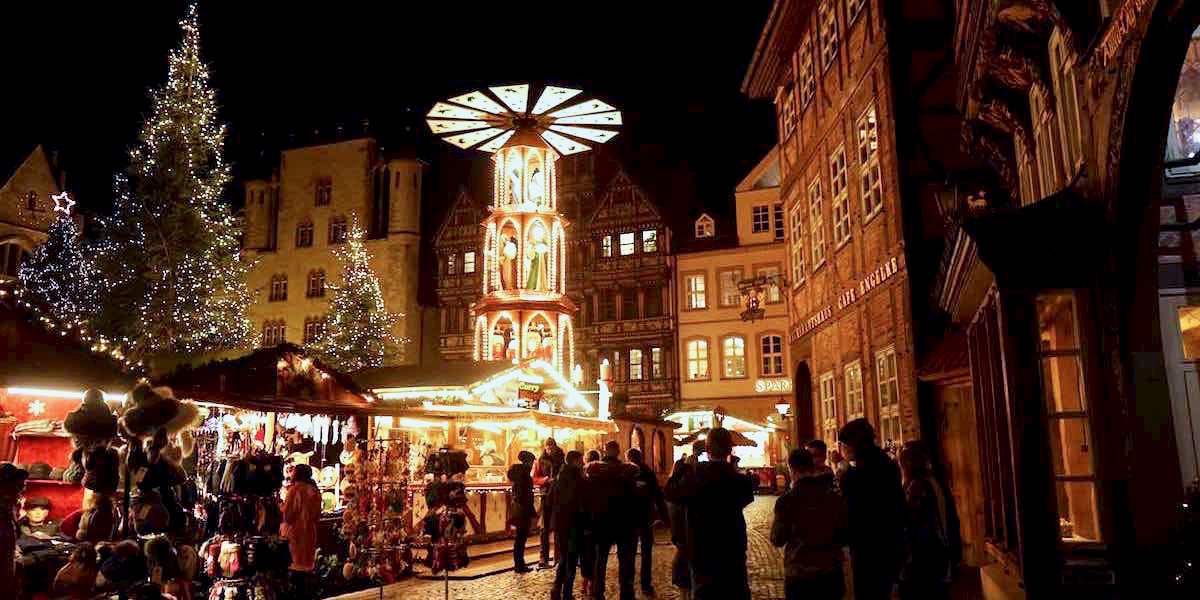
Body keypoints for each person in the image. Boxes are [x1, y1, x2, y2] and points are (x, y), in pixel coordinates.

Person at [665, 428, 756, 600]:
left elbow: (670, 493)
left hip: (701, 549)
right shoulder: (740, 481)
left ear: (707, 450)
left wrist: (679, 470)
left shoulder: (694, 476)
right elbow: (746, 497)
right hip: (732, 548)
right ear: (730, 450)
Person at [838, 418, 906, 600]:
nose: (842, 450)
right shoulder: (888, 465)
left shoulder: (857, 473)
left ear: (853, 445)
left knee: (868, 591)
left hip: (867, 545)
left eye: (844, 445)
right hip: (889, 542)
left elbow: (851, 511)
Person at [771, 448, 848, 600]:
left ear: (791, 468)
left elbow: (777, 539)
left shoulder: (786, 501)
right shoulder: (833, 497)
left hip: (800, 574)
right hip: (830, 572)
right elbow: (844, 534)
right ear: (812, 467)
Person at [898, 441, 956, 600]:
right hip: (939, 551)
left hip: (924, 557)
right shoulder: (935, 481)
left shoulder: (916, 486)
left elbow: (911, 522)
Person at [586, 440, 637, 600]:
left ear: (605, 451)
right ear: (618, 451)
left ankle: (597, 590)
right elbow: (632, 495)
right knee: (625, 559)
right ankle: (626, 591)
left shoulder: (594, 470)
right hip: (623, 520)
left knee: (600, 558)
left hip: (601, 520)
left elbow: (589, 497)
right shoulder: (628, 470)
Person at [626, 447, 667, 594]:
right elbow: (657, 495)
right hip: (645, 517)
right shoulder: (648, 473)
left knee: (629, 553)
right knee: (646, 553)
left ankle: (629, 585)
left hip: (630, 519)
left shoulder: (626, 473)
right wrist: (664, 516)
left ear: (629, 458)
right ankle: (646, 584)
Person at [667, 440, 703, 600]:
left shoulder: (672, 492)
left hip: (682, 538)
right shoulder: (687, 490)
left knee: (685, 569)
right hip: (689, 538)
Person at [551, 451, 587, 600]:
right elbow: (580, 503)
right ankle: (566, 592)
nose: (583, 463)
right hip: (573, 523)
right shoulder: (577, 478)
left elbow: (551, 501)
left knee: (565, 558)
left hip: (560, 523)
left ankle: (556, 589)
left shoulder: (559, 477)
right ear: (575, 461)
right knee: (570, 559)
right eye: (581, 461)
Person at [281, 464, 322, 572]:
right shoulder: (314, 490)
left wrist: (280, 507)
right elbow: (318, 514)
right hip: (310, 532)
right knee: (308, 565)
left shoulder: (294, 490)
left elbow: (287, 515)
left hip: (296, 533)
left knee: (296, 566)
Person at [534, 437, 566, 568]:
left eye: (551, 447)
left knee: (558, 528)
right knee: (544, 528)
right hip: (545, 495)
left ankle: (558, 557)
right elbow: (535, 478)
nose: (549, 449)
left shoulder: (561, 460)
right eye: (547, 447)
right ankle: (544, 558)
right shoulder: (540, 461)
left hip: (558, 496)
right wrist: (545, 480)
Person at [508, 451, 537, 573]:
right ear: (528, 462)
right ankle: (519, 565)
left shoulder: (516, 475)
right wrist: (532, 512)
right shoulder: (525, 477)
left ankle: (519, 564)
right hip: (523, 510)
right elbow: (527, 497)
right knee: (521, 538)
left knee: (519, 538)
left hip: (517, 509)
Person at [579, 449, 602, 597]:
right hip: (599, 523)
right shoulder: (602, 482)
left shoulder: (583, 482)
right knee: (596, 555)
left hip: (587, 524)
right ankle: (594, 584)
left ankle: (585, 582)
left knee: (586, 555)